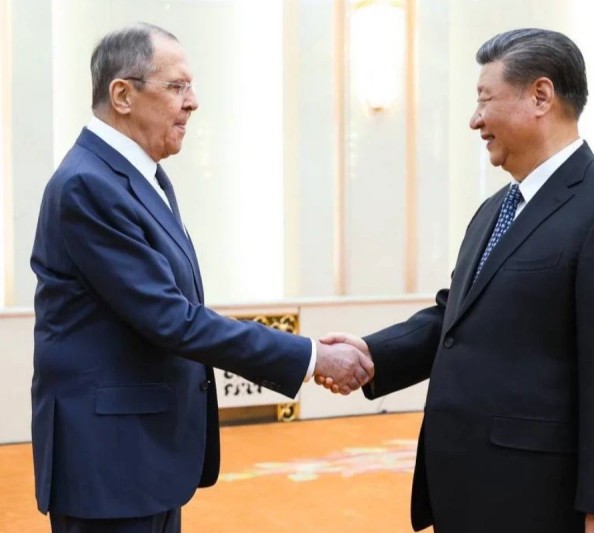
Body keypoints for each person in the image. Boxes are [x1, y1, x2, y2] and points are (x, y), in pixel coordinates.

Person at [319, 28, 594, 533]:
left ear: (541, 96)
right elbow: (457, 317)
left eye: (485, 100)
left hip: (539, 500)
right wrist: (373, 353)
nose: (475, 120)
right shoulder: (494, 210)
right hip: (466, 488)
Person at [30, 23, 372, 533]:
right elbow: (172, 319)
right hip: (108, 466)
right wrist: (311, 356)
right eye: (177, 86)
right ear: (122, 95)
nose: (193, 102)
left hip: (141, 457)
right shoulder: (88, 184)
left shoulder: (140, 176)